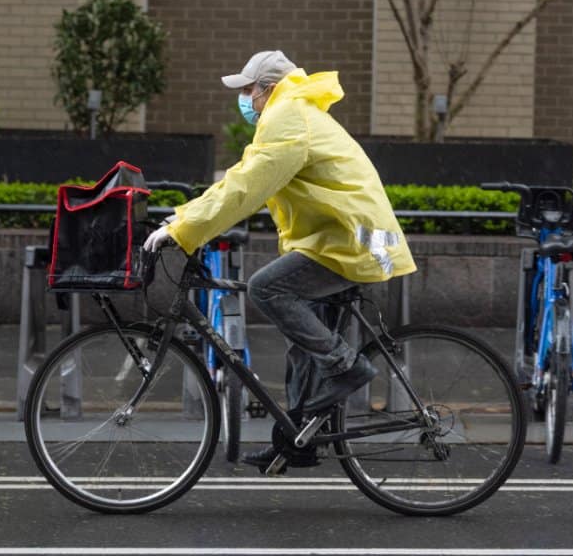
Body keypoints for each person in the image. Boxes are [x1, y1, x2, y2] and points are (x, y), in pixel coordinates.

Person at [142, 50, 416, 472]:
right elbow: (242, 178)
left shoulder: (287, 117)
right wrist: (182, 219)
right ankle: (295, 439)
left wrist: (183, 231)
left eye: (249, 90)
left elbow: (246, 187)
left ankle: (346, 367)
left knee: (267, 288)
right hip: (340, 238)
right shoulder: (292, 112)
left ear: (268, 89)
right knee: (301, 347)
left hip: (349, 241)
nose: (245, 99)